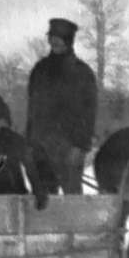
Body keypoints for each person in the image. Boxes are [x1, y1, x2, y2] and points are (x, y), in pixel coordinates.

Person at [26, 18, 97, 195]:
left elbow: (89, 114)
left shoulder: (83, 73)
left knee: (72, 207)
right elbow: (32, 110)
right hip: (41, 148)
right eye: (52, 38)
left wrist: (80, 147)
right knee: (43, 204)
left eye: (59, 39)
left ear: (69, 41)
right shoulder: (39, 70)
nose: (54, 42)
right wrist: (29, 142)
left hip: (70, 150)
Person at [0, 94, 48, 209]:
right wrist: (39, 193)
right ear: (7, 116)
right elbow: (30, 168)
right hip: (14, 195)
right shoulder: (16, 139)